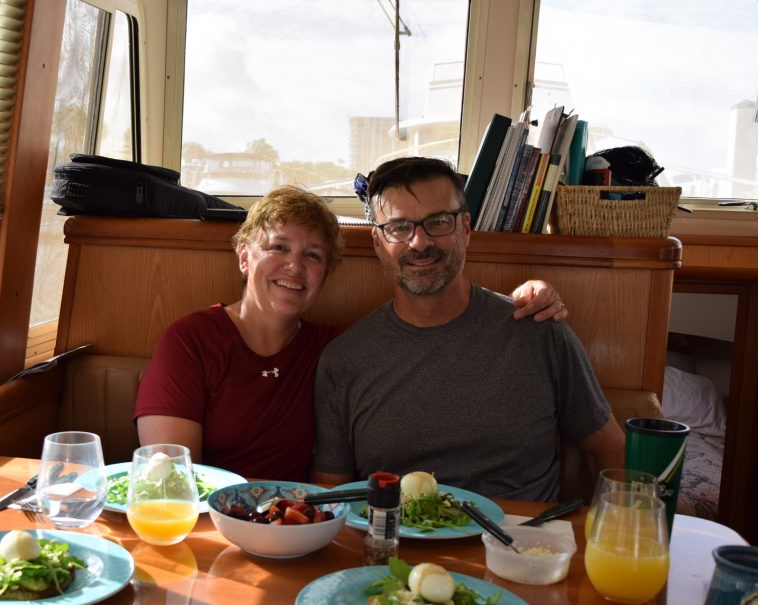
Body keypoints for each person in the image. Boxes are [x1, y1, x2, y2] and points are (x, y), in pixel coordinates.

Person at [133, 185, 570, 481]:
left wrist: (534, 294)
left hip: (300, 526)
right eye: (278, 248)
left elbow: (427, 348)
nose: (294, 266)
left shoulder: (335, 351)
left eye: (313, 256)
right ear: (245, 257)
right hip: (214, 524)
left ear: (325, 274)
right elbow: (168, 478)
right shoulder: (191, 341)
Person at [311, 158, 624, 500]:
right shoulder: (344, 360)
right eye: (400, 227)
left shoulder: (537, 330)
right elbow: (332, 495)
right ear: (378, 243)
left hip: (522, 545)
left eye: (439, 221)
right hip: (396, 544)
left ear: (466, 228)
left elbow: (609, 452)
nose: (419, 242)